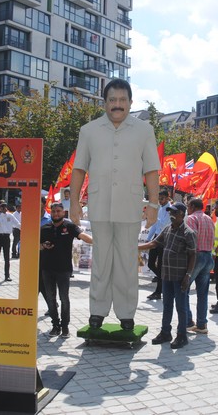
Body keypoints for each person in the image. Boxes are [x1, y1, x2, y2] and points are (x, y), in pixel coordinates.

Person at [69, 78, 160, 331]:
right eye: (112, 100)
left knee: (126, 262)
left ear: (130, 102)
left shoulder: (144, 130)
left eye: (122, 100)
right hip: (99, 204)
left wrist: (153, 205)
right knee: (101, 261)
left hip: (130, 205)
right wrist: (74, 202)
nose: (117, 105)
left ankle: (126, 313)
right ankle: (97, 311)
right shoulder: (89, 131)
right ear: (104, 102)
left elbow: (152, 170)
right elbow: (79, 169)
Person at [139, 202, 196, 349]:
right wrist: (135, 247)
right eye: (170, 212)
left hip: (180, 277)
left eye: (174, 212)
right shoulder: (168, 229)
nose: (171, 215)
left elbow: (193, 255)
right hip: (166, 275)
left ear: (182, 214)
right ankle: (165, 332)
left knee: (181, 307)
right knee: (167, 305)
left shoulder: (188, 233)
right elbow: (154, 243)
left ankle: (182, 336)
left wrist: (188, 275)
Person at [40, 202, 92, 338]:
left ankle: (65, 327)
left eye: (58, 211)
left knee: (64, 298)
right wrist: (43, 246)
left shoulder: (70, 226)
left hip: (63, 269)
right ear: (51, 213)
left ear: (63, 212)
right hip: (46, 269)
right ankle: (55, 325)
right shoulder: (44, 228)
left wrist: (99, 241)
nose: (56, 214)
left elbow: (83, 236)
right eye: (53, 211)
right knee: (50, 299)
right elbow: (35, 245)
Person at [184, 197, 215, 334]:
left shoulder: (191, 218)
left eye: (188, 206)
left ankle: (188, 321)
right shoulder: (209, 219)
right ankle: (202, 324)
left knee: (183, 289)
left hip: (197, 256)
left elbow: (191, 239)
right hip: (208, 256)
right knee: (203, 293)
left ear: (192, 206)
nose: (187, 208)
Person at [145, 189, 171, 300]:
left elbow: (164, 224)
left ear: (167, 198)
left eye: (162, 198)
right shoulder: (160, 209)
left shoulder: (170, 209)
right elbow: (155, 225)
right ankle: (162, 279)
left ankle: (158, 291)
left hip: (164, 239)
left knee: (160, 266)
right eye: (159, 199)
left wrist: (156, 218)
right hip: (156, 237)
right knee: (150, 263)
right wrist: (148, 238)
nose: (160, 201)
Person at [0, 200, 19, 282]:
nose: (4, 208)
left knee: (7, 257)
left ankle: (7, 275)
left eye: (5, 206)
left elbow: (17, 224)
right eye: (2, 206)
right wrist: (1, 215)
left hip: (6, 238)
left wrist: (24, 229)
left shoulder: (10, 215)